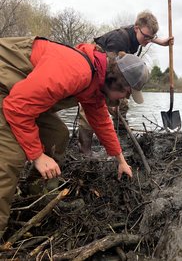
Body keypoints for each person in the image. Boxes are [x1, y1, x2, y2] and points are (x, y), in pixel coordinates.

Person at [0, 36, 149, 239]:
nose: (124, 100)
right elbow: (16, 107)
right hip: (6, 86)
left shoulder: (97, 82)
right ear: (117, 82)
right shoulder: (75, 71)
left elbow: (102, 123)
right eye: (126, 94)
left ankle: (36, 194)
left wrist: (120, 160)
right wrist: (37, 156)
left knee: (58, 135)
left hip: (23, 92)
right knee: (11, 158)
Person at [78, 10, 173, 155]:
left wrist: (160, 41)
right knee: (91, 108)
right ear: (136, 28)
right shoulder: (118, 40)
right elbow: (113, 73)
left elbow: (146, 34)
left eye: (151, 38)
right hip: (95, 68)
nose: (148, 41)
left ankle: (122, 139)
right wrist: (112, 104)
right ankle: (85, 151)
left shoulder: (138, 33)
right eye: (146, 37)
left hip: (112, 68)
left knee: (122, 105)